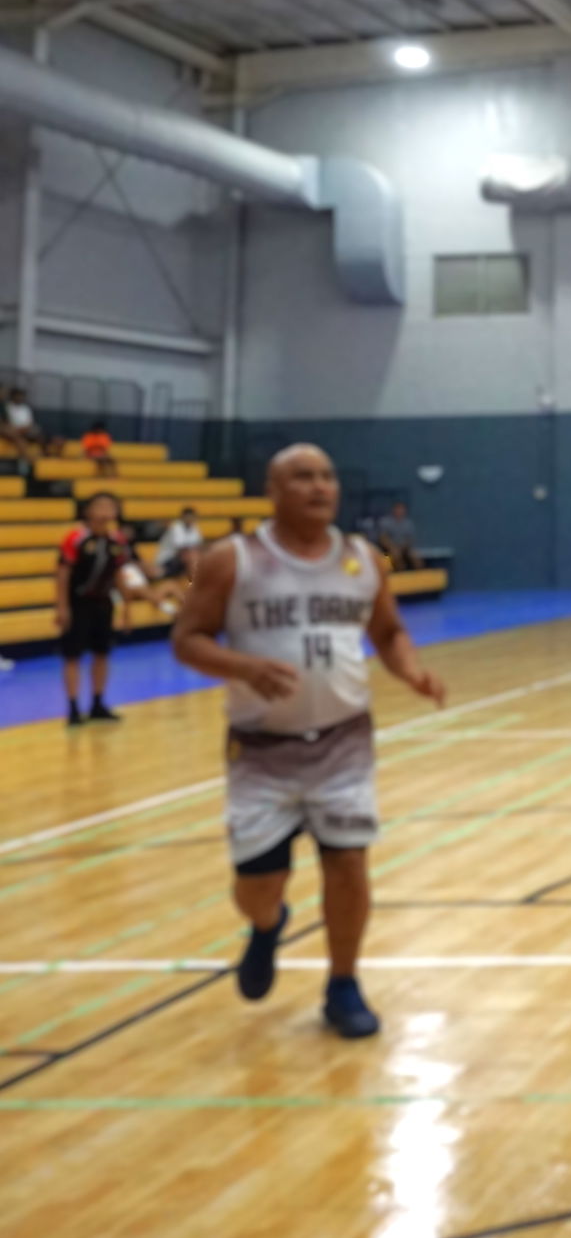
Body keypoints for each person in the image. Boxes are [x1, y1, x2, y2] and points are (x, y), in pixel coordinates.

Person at [172, 444, 446, 1041]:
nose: (319, 486)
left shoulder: (363, 560)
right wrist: (243, 667)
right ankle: (267, 926)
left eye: (326, 475)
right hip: (261, 748)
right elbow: (187, 639)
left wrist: (411, 671)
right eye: (303, 477)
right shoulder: (230, 560)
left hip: (344, 741)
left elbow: (389, 630)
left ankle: (342, 983)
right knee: (257, 889)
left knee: (348, 862)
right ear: (273, 488)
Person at [56, 492, 144, 726]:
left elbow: (119, 575)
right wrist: (62, 607)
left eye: (110, 506)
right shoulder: (75, 538)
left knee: (102, 653)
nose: (106, 511)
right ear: (89, 511)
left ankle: (97, 703)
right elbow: (63, 575)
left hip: (103, 604)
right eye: (101, 506)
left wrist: (126, 607)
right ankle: (73, 708)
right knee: (73, 655)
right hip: (78, 603)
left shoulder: (118, 541)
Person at [1, 386, 46, 461]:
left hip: (25, 430)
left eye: (22, 396)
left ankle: (44, 457)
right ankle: (27, 459)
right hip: (14, 430)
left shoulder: (26, 408)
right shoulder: (7, 406)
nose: (20, 398)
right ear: (13, 396)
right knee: (19, 438)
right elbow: (8, 423)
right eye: (18, 395)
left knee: (40, 435)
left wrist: (26, 428)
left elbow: (30, 423)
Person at [376, 500, 422, 572]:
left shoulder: (408, 523)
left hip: (404, 548)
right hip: (389, 549)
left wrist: (403, 547)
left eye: (402, 509)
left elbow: (410, 539)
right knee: (396, 554)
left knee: (415, 555)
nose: (400, 511)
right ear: (393, 510)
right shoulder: (385, 521)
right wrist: (392, 547)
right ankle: (400, 574)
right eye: (398, 509)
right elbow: (383, 538)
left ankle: (419, 577)